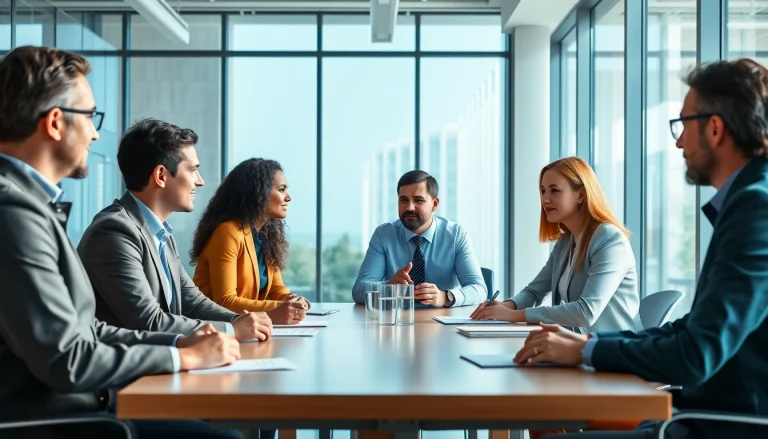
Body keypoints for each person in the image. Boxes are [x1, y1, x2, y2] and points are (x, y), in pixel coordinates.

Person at [516, 58, 768, 439]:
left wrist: (586, 352)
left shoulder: (755, 208)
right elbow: (691, 329)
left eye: (684, 124)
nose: (679, 140)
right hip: (698, 413)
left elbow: (696, 354)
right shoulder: (746, 202)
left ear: (715, 128)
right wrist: (588, 343)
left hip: (721, 425)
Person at [0, 45, 242, 438]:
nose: (96, 132)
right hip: (57, 418)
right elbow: (68, 359)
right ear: (56, 123)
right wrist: (181, 357)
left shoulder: (29, 205)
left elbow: (86, 330)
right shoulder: (14, 212)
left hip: (81, 403)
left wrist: (182, 343)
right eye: (90, 116)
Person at [78, 118, 272, 343]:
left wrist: (239, 321)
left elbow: (193, 303)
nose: (199, 182)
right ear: (161, 176)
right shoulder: (114, 232)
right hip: (130, 373)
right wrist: (231, 330)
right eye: (193, 170)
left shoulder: (160, 233)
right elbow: (148, 321)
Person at [470, 157, 639, 333]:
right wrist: (506, 306)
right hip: (575, 344)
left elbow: (586, 312)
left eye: (554, 191)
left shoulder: (609, 239)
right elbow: (534, 292)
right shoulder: (566, 243)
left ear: (580, 195)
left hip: (610, 351)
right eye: (543, 191)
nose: (545, 199)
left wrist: (513, 315)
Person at [191, 158, 309, 324]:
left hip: (245, 326)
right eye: (281, 190)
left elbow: (277, 289)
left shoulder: (265, 235)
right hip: (213, 327)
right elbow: (224, 301)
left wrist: (293, 300)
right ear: (259, 193)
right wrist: (278, 308)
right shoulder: (228, 232)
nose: (288, 197)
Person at [352, 170, 486, 307]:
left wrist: (446, 297)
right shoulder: (384, 235)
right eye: (404, 200)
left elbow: (479, 290)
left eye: (418, 200)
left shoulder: (456, 235)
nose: (409, 207)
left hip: (443, 322)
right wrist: (389, 286)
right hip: (397, 322)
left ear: (434, 204)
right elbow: (358, 290)